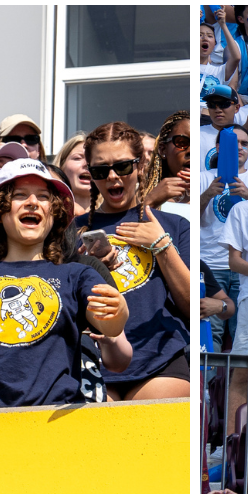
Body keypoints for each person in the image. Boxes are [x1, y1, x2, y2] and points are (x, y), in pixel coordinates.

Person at [0, 158, 131, 408]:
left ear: (54, 213)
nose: (33, 202)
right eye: (20, 195)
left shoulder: (78, 274)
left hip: (53, 421)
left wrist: (119, 311)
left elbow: (109, 326)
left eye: (43, 197)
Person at [76, 121, 190, 400]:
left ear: (140, 166)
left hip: (162, 358)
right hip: (96, 358)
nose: (113, 177)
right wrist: (89, 268)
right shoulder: (72, 231)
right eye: (101, 170)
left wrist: (162, 246)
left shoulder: (173, 225)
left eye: (123, 166)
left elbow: (192, 305)